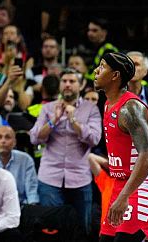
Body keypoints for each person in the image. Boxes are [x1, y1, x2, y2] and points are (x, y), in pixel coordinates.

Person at [95, 52, 148, 242]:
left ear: (115, 75)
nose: (95, 71)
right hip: (123, 183)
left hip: (145, 182)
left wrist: (124, 196)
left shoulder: (130, 108)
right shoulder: (108, 104)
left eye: (102, 67)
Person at [29, 68, 101, 234]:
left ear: (81, 85)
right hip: (50, 178)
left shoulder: (91, 109)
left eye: (72, 81)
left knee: (83, 230)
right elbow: (35, 138)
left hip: (80, 178)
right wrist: (54, 120)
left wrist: (73, 120)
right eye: (64, 81)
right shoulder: (48, 109)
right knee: (51, 231)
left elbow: (94, 139)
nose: (68, 84)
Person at [0, 126, 39, 206]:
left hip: (20, 206)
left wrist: (33, 211)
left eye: (7, 137)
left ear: (14, 142)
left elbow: (31, 190)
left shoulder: (26, 160)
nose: (3, 141)